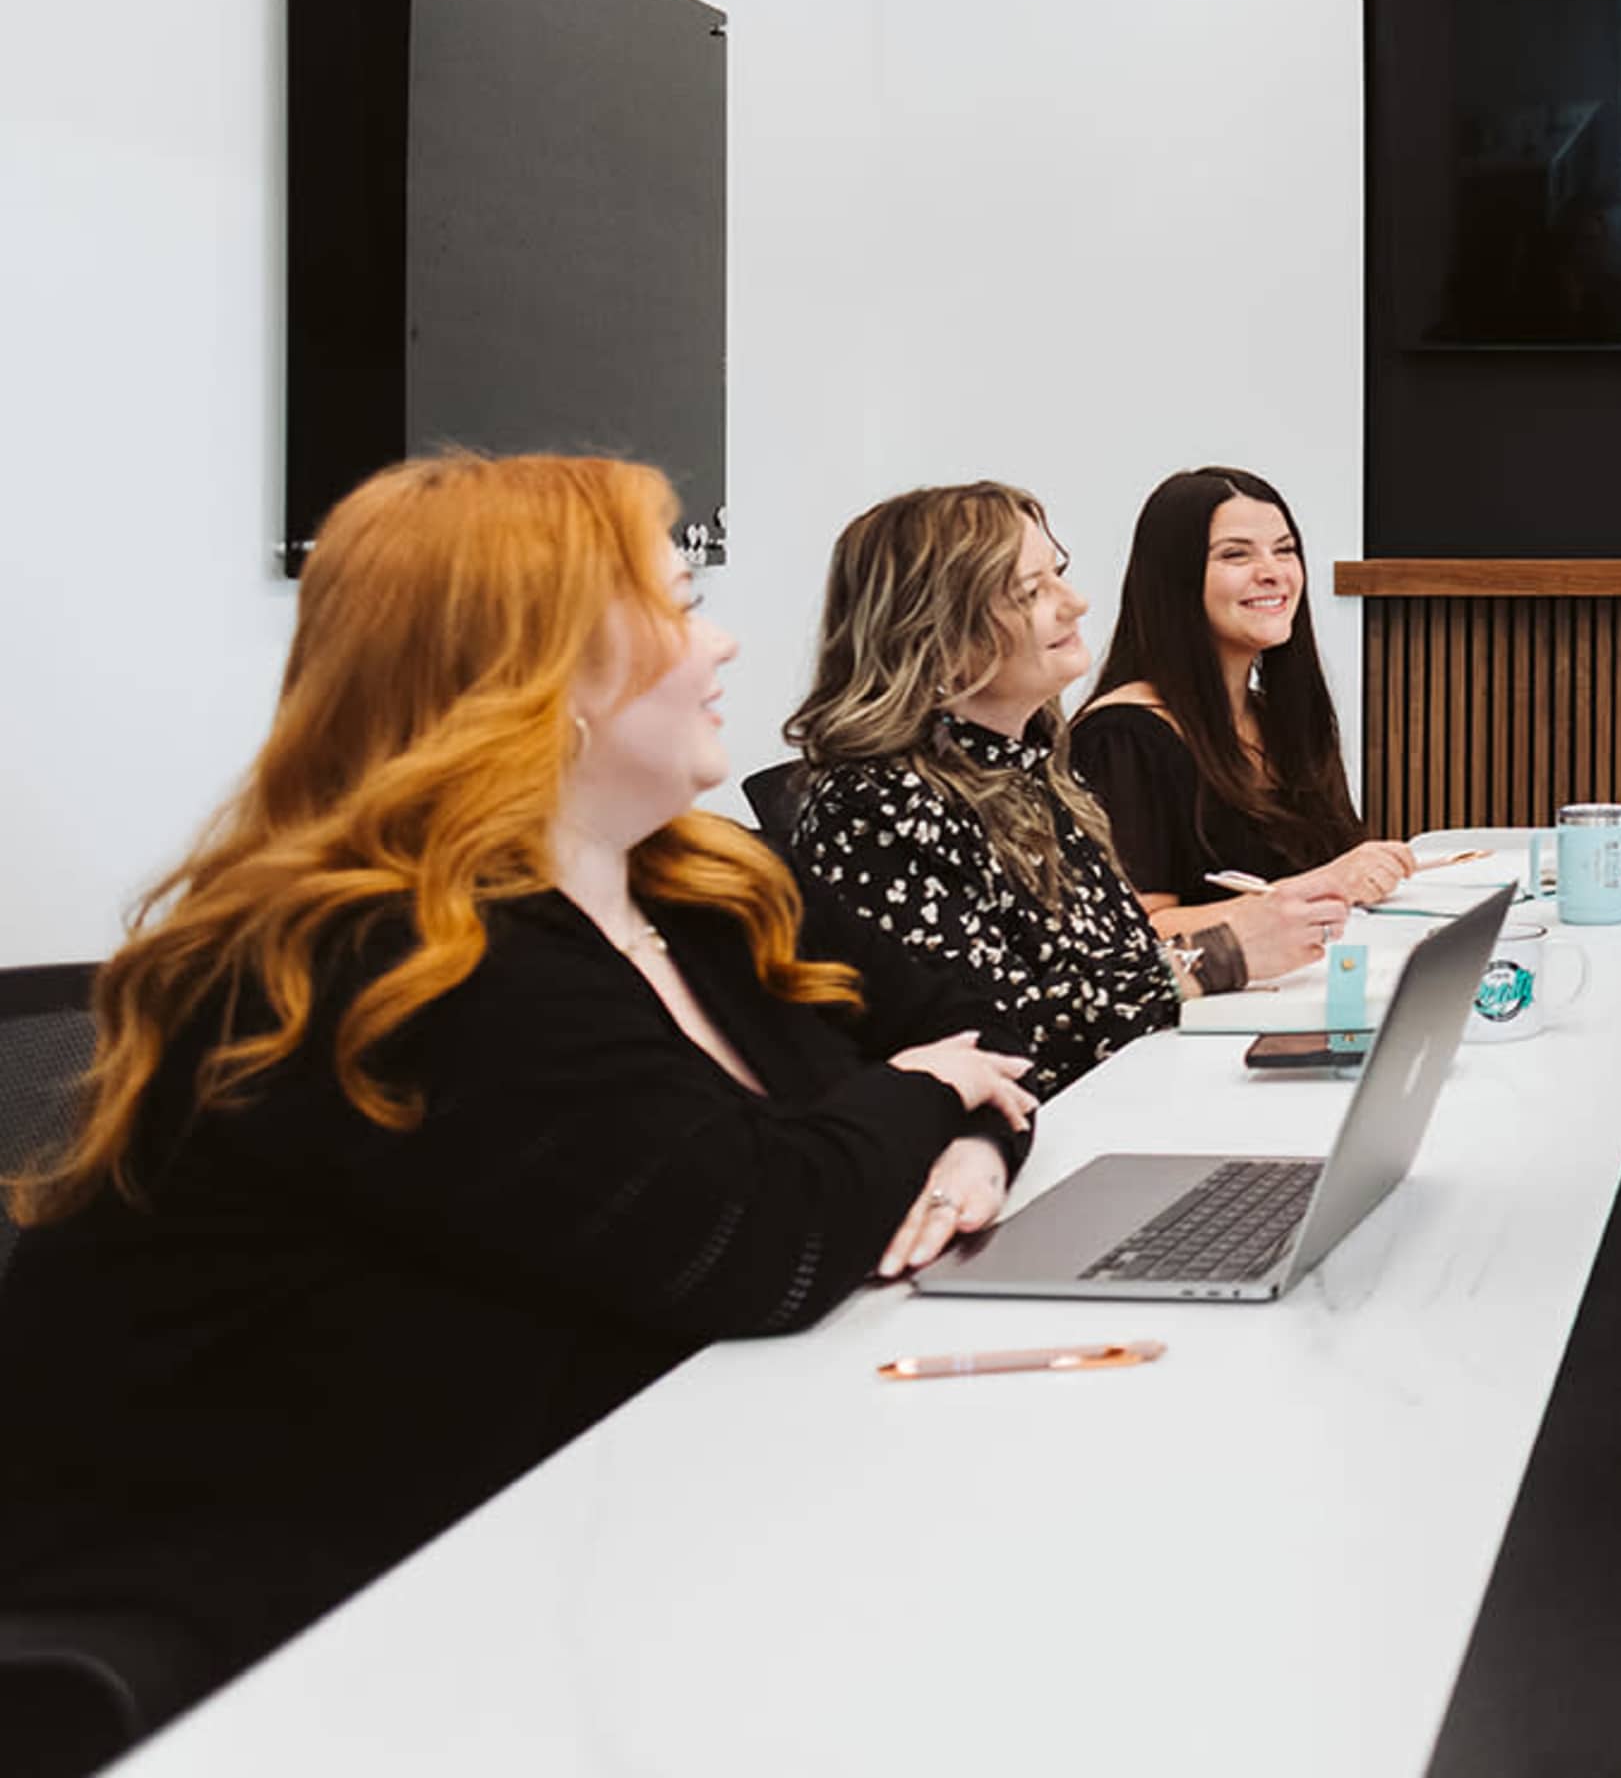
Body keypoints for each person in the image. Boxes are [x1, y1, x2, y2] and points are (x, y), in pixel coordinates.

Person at [0, 456, 1037, 1702]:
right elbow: (764, 1238)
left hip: (575, 1528)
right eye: (677, 599)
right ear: (543, 668)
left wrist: (971, 1142)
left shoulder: (695, 885)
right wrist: (927, 1099)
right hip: (279, 1630)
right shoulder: (403, 957)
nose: (723, 639)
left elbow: (977, 1027)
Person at [780, 482, 1338, 1096]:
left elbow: (1114, 965)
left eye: (1059, 574)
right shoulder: (874, 806)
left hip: (1127, 1099)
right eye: (1030, 591)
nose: (1074, 603)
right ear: (933, 634)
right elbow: (996, 1038)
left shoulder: (1034, 770)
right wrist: (1219, 955)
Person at [1069, 467, 1411, 943]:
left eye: (1285, 550)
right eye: (1235, 554)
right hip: (1207, 1014)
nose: (1272, 572)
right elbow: (1135, 935)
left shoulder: (1279, 717)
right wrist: (1325, 887)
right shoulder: (1122, 736)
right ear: (1175, 580)